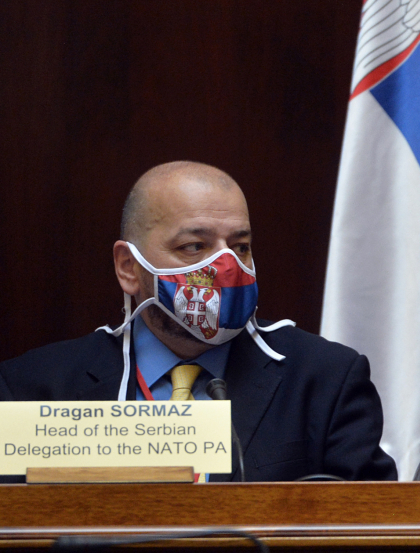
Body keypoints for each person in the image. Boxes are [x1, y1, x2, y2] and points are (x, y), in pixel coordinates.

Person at [0, 161, 397, 482]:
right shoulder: (33, 388)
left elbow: (374, 527)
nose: (227, 267)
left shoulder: (325, 380)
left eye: (240, 246)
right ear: (128, 268)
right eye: (194, 246)